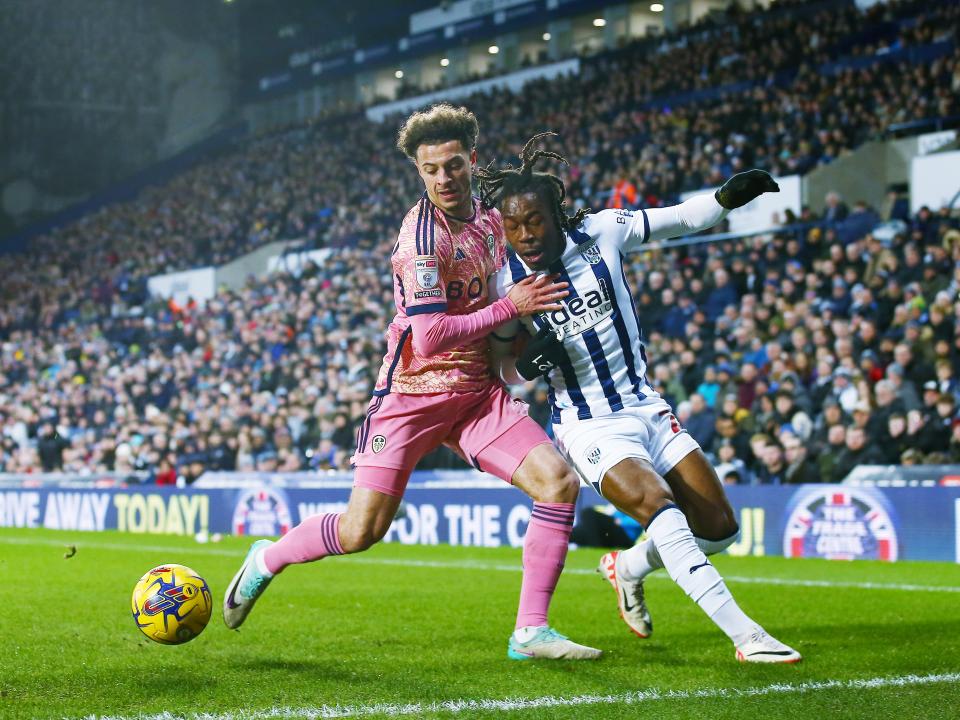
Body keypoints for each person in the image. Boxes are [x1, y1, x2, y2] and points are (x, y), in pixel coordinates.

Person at [222, 106, 601, 661]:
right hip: (411, 397)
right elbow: (428, 339)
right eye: (431, 170)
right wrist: (509, 308)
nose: (444, 179)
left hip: (475, 395)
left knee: (558, 483)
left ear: (471, 160)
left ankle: (530, 632)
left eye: (452, 165)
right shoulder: (421, 240)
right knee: (360, 532)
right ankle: (266, 558)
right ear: (419, 174)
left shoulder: (493, 221)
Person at [479, 133, 800, 663]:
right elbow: (506, 369)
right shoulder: (506, 284)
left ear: (555, 212)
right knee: (661, 508)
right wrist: (530, 364)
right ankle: (748, 637)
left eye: (533, 220)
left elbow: (680, 218)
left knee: (718, 531)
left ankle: (627, 568)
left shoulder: (602, 231)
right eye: (512, 226)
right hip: (589, 425)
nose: (524, 235)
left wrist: (725, 198)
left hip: (646, 406)